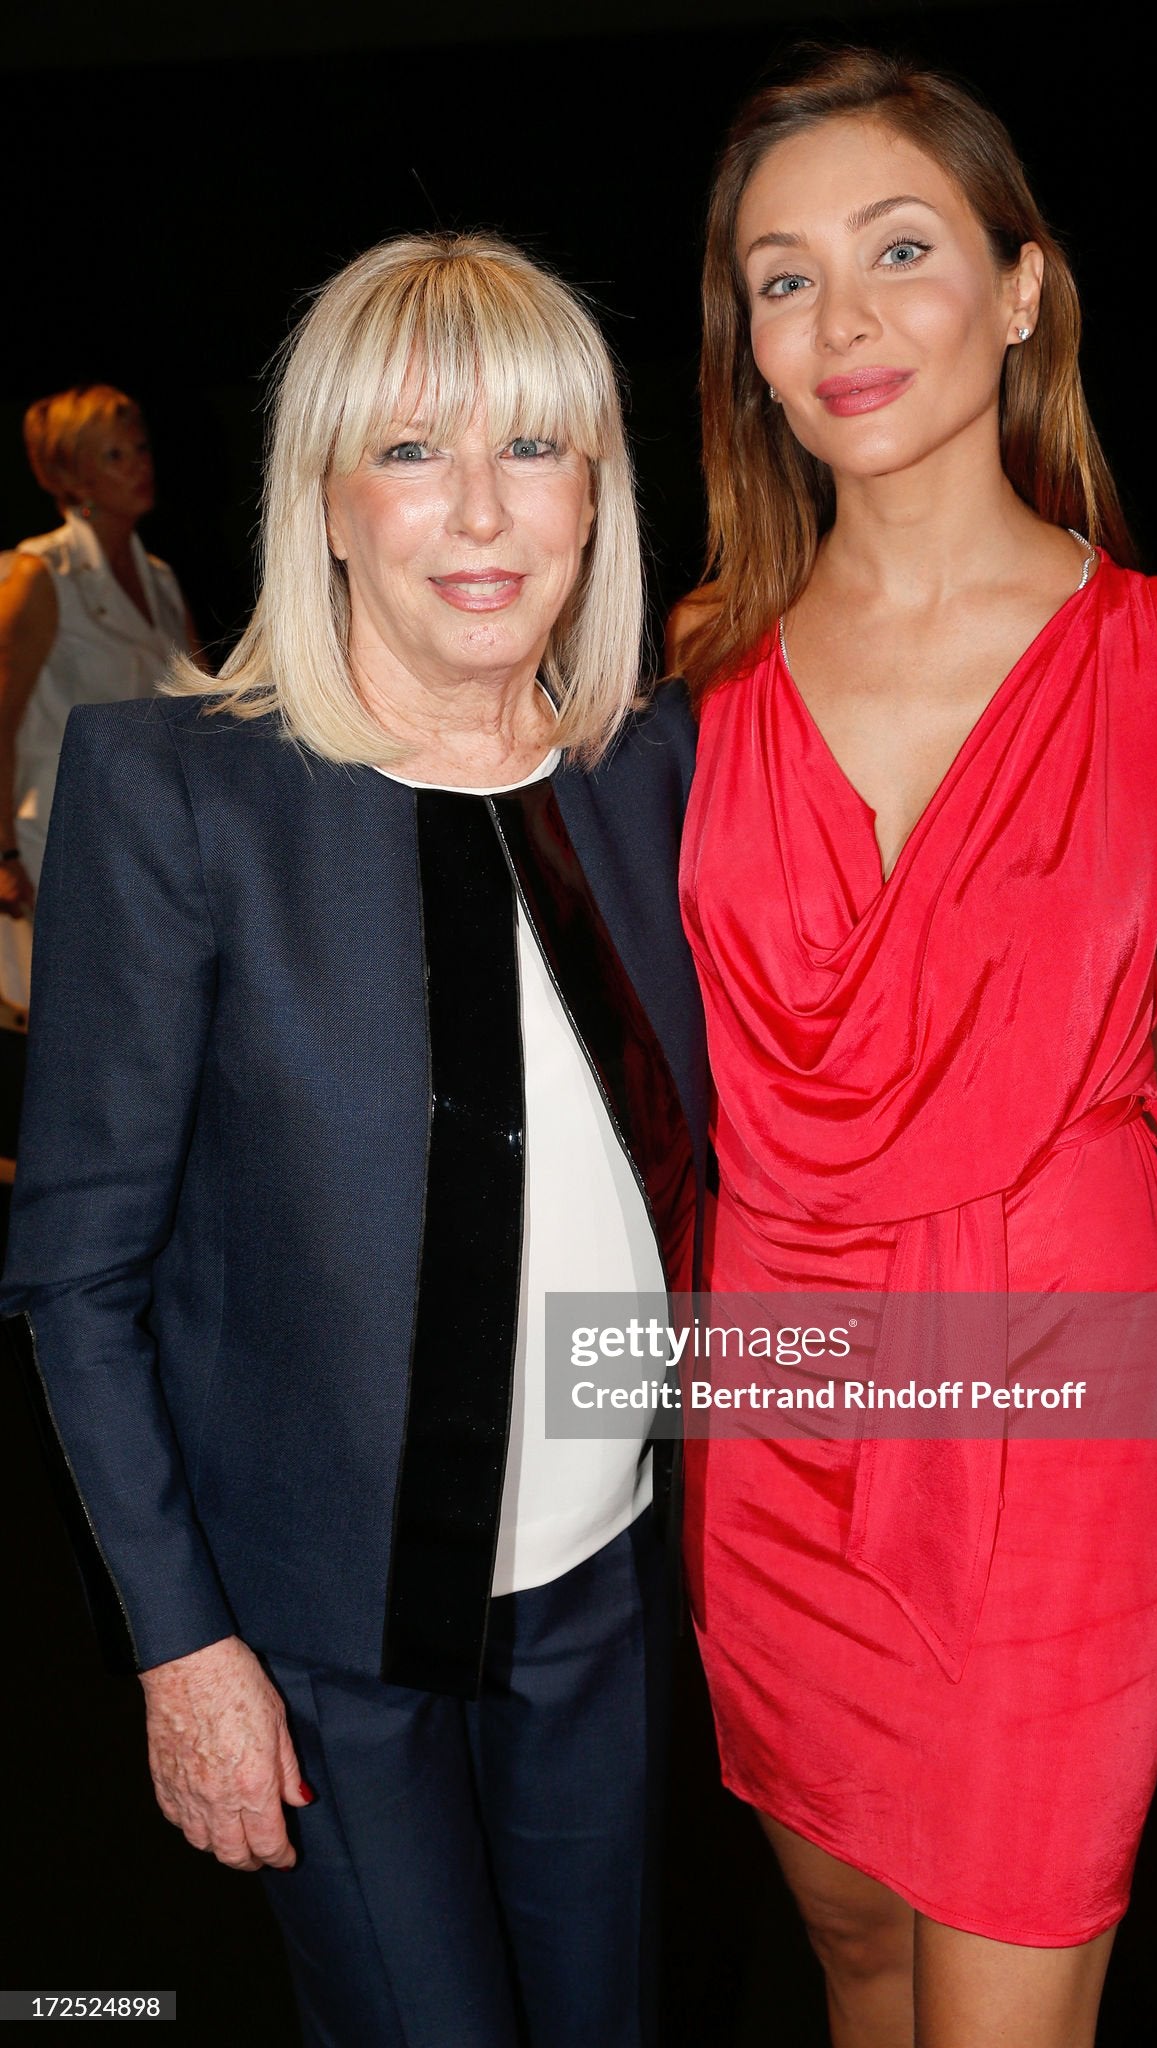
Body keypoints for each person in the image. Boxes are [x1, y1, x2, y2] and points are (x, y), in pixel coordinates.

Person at [1, 232, 707, 2048]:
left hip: (610, 1598)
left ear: (600, 490)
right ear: (323, 497)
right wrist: (181, 1647)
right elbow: (80, 1278)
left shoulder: (651, 766)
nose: (479, 509)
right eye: (409, 450)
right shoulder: (176, 789)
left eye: (532, 447)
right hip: (314, 1643)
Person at [670, 49, 1157, 2048]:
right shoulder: (694, 678)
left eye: (899, 248)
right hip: (773, 1403)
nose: (838, 319)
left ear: (1020, 289)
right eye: (779, 278)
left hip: (1060, 1401)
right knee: (854, 1952)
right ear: (742, 342)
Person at [0, 384, 193, 916]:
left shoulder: (161, 578)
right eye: (114, 455)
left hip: (150, 843)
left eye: (141, 449)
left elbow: (202, 714)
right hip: (54, 842)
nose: (138, 466)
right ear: (69, 475)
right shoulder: (40, 575)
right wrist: (3, 855)